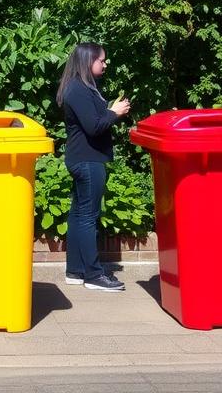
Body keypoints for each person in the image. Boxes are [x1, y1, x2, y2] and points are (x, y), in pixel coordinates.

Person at [55, 42, 130, 291]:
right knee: (88, 217)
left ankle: (76, 271)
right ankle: (94, 275)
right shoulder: (78, 89)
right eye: (101, 60)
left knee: (79, 215)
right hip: (88, 160)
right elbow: (94, 126)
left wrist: (109, 112)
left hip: (84, 158)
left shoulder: (81, 87)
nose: (105, 64)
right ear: (88, 61)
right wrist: (114, 113)